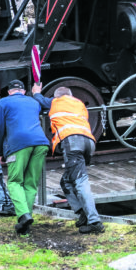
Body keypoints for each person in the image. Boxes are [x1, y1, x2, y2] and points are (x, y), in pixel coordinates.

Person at [34, 84, 104, 234]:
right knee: (66, 181)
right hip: (89, 142)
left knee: (80, 181)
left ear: (57, 96)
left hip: (72, 142)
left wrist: (36, 92)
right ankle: (82, 213)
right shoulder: (79, 104)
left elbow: (40, 100)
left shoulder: (56, 102)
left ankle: (94, 221)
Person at [0, 80, 50, 234]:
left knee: (14, 181)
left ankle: (23, 215)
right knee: (31, 183)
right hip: (41, 143)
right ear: (24, 91)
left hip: (18, 144)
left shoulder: (3, 103)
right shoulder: (33, 102)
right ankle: (26, 221)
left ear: (9, 92)